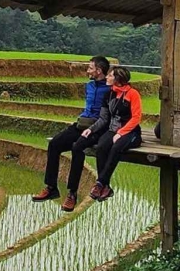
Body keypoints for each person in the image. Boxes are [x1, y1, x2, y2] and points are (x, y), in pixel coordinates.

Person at [32, 56, 110, 210]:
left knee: (77, 148)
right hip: (81, 124)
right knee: (54, 144)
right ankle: (51, 188)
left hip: (97, 128)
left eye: (90, 68)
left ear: (99, 71)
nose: (88, 71)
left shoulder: (110, 89)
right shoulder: (89, 86)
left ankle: (72, 194)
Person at [71, 65, 143, 202]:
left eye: (110, 75)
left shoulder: (133, 94)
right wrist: (91, 129)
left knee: (116, 148)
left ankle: (100, 183)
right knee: (101, 147)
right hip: (113, 130)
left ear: (118, 79)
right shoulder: (109, 94)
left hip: (130, 132)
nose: (107, 78)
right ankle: (106, 187)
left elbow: (136, 118)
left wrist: (121, 133)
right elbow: (103, 118)